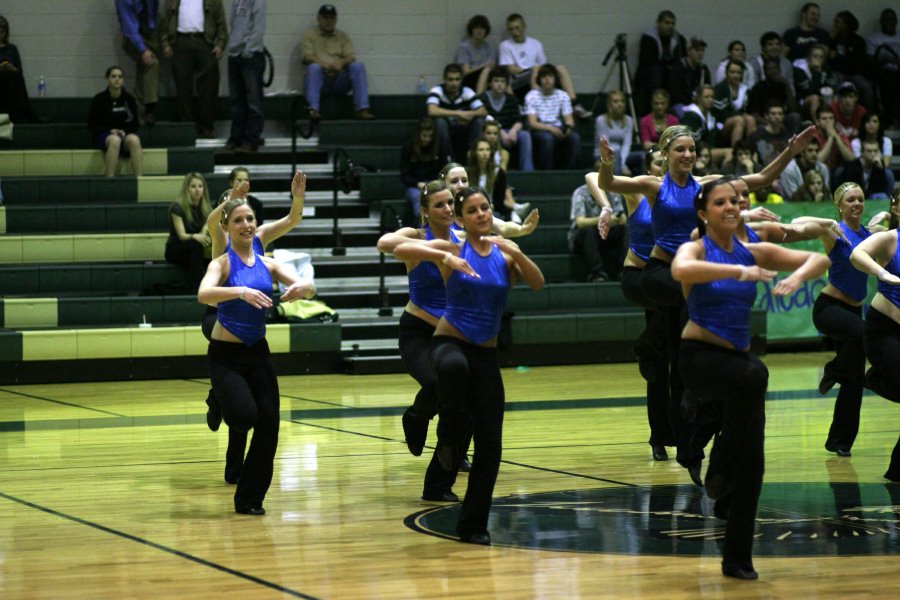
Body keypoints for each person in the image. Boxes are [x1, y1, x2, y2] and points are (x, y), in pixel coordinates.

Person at [597, 123, 817, 481]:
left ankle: (690, 442)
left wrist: (791, 150)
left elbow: (759, 178)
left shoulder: (706, 185)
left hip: (686, 280)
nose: (687, 155)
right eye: (680, 150)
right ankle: (689, 385)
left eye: (692, 150)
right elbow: (607, 184)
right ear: (666, 153)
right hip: (660, 272)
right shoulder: (654, 186)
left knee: (676, 351)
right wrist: (607, 162)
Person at [672, 177, 829, 580]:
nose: (730, 207)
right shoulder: (697, 248)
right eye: (720, 202)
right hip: (699, 360)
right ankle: (719, 463)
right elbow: (680, 268)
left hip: (738, 371)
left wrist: (797, 278)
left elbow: (821, 260)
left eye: (734, 202)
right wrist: (741, 273)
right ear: (704, 213)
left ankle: (737, 558)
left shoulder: (752, 249)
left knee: (754, 462)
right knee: (756, 374)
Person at [393, 186, 545, 546]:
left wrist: (518, 252)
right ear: (460, 220)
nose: (481, 214)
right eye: (472, 210)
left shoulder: (505, 254)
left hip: (486, 355)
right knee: (453, 371)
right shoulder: (453, 247)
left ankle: (473, 524)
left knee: (491, 446)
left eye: (485, 208)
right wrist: (447, 256)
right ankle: (449, 436)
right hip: (449, 344)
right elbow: (400, 249)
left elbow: (537, 283)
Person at [198, 196, 316, 516]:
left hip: (258, 353)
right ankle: (221, 400)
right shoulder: (221, 263)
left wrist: (302, 289)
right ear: (225, 227)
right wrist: (240, 291)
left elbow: (308, 286)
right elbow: (204, 294)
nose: (246, 225)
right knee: (244, 417)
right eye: (238, 220)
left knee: (269, 426)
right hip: (225, 355)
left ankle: (249, 497)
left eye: (249, 219)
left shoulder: (268, 262)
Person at [589, 147, 674, 460]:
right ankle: (646, 346)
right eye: (658, 165)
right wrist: (606, 207)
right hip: (641, 277)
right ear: (648, 168)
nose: (663, 170)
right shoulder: (638, 194)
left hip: (669, 279)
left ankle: (665, 435)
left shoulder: (681, 196)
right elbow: (591, 176)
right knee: (661, 349)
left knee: (665, 361)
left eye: (667, 165)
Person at [795, 182, 890, 456]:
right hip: (830, 310)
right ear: (840, 205)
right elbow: (799, 221)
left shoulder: (872, 234)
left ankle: (839, 442)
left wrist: (886, 216)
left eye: (860, 199)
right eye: (850, 200)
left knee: (854, 380)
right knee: (864, 334)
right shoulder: (834, 232)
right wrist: (826, 220)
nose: (857, 204)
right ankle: (833, 370)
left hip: (853, 311)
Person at [849, 194, 900, 481]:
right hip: (884, 331)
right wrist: (883, 273)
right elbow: (857, 255)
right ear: (897, 208)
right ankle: (876, 378)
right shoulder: (891, 239)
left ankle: (897, 469)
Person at [497, 13, 591, 119]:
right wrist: (532, 70)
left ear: (524, 27)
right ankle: (535, 103)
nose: (515, 32)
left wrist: (536, 71)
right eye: (511, 29)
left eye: (517, 28)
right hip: (517, 82)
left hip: (536, 75)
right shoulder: (505, 45)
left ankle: (575, 104)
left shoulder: (536, 44)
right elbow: (511, 69)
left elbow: (544, 67)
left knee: (561, 68)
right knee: (535, 67)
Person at [159, 0, 229, 138]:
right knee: (183, 87)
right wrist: (165, 43)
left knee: (209, 86)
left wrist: (220, 44)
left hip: (204, 42)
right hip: (180, 42)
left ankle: (207, 126)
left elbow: (221, 23)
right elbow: (164, 23)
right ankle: (187, 128)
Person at [301, 4, 374, 121]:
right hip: (321, 79)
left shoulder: (343, 36)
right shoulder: (309, 35)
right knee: (313, 68)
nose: (328, 21)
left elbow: (351, 57)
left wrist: (341, 63)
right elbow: (308, 56)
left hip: (339, 79)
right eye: (325, 18)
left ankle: (362, 109)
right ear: (318, 18)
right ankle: (313, 110)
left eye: (332, 18)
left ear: (336, 20)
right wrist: (326, 65)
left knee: (358, 66)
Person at [88, 66, 143, 178]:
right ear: (107, 79)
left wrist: (124, 131)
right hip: (104, 135)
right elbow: (91, 125)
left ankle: (139, 179)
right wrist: (110, 131)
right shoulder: (98, 99)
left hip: (124, 135)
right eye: (113, 76)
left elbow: (135, 124)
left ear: (122, 80)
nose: (117, 79)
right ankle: (110, 179)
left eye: (120, 77)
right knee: (115, 140)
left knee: (135, 140)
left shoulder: (129, 99)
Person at [225, 0, 266, 153]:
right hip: (235, 54)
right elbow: (233, 24)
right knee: (237, 101)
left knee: (253, 101)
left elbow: (258, 26)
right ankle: (236, 138)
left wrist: (249, 50)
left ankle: (251, 140)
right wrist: (233, 49)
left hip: (251, 55)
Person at [568, 180, 627, 283]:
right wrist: (604, 219)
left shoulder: (613, 192)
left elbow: (623, 218)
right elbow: (580, 222)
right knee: (587, 231)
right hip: (584, 239)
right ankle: (596, 273)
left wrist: (618, 219)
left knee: (624, 228)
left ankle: (623, 270)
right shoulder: (580, 193)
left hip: (605, 236)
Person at [427, 63, 486, 164]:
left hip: (462, 128)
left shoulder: (466, 91)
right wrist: (458, 113)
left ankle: (473, 158)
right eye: (450, 79)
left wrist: (469, 114)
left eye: (457, 79)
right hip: (444, 130)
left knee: (479, 122)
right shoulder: (437, 90)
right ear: (444, 80)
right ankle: (449, 161)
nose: (454, 83)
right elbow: (431, 111)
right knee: (440, 122)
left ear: (461, 80)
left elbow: (483, 111)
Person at [525, 64, 581, 170]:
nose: (547, 79)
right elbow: (532, 123)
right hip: (540, 129)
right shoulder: (532, 96)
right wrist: (550, 128)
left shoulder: (563, 95)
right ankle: (548, 173)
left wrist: (567, 129)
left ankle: (571, 172)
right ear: (539, 79)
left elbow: (569, 120)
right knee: (547, 139)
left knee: (575, 138)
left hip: (558, 128)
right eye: (544, 76)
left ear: (555, 79)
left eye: (550, 76)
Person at [479, 66, 534, 171]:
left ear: (506, 84)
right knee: (492, 135)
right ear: (490, 83)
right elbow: (483, 120)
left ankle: (527, 170)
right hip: (491, 132)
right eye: (496, 81)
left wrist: (513, 131)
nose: (499, 84)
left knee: (525, 135)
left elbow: (519, 120)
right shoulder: (483, 98)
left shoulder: (511, 99)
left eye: (502, 81)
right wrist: (499, 132)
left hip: (509, 131)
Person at [115, 0, 160, 123]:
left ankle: (139, 115)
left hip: (149, 34)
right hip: (133, 37)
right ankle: (149, 108)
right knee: (151, 63)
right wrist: (143, 49)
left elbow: (153, 10)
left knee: (143, 71)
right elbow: (129, 26)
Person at [635, 10, 686, 116]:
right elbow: (647, 62)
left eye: (672, 23)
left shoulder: (679, 39)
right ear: (658, 23)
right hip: (651, 78)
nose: (670, 26)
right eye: (666, 23)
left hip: (670, 77)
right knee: (655, 72)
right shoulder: (648, 38)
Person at [165, 172, 212, 286]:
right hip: (176, 248)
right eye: (193, 186)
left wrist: (203, 232)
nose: (197, 190)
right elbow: (182, 235)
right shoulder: (177, 207)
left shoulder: (206, 208)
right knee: (195, 246)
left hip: (195, 248)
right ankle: (199, 285)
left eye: (200, 186)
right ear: (187, 189)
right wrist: (196, 236)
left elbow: (208, 225)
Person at [829, 11, 877, 112]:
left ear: (846, 25)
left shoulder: (858, 41)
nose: (834, 25)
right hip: (838, 72)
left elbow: (857, 63)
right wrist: (831, 41)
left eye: (838, 22)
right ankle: (837, 114)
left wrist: (838, 57)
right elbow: (829, 58)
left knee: (866, 88)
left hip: (855, 73)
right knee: (834, 83)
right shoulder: (834, 39)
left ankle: (868, 115)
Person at [467, 138, 523, 223]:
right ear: (475, 153)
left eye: (487, 149)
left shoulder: (498, 173)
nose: (485, 153)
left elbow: (499, 201)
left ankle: (512, 211)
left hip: (494, 210)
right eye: (481, 150)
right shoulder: (468, 173)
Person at [0, 15, 43, 123]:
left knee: (17, 78)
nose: (0, 35)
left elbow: (19, 70)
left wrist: (11, 68)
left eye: (2, 32)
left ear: (6, 33)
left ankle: (20, 113)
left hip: (10, 82)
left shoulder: (12, 48)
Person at [400, 117, 443, 215]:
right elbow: (404, 175)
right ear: (418, 134)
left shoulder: (439, 146)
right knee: (419, 197)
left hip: (435, 183)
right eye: (424, 136)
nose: (427, 139)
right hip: (415, 186)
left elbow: (444, 170)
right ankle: (423, 226)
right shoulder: (408, 148)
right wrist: (418, 183)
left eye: (430, 136)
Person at [867, 9, 900, 129]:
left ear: (896, 21)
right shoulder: (874, 39)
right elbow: (870, 61)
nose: (889, 22)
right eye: (886, 19)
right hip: (884, 72)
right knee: (890, 83)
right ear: (881, 22)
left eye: (892, 19)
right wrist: (888, 60)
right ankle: (892, 120)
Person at [712, 59, 756, 148]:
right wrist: (739, 115)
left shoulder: (745, 89)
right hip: (721, 124)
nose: (735, 75)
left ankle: (751, 150)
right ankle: (737, 152)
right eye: (732, 72)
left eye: (738, 72)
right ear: (727, 73)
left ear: (742, 74)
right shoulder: (720, 88)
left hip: (739, 118)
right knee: (739, 119)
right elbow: (720, 113)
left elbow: (746, 110)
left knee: (750, 119)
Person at [594, 90, 636, 174]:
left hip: (623, 155)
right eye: (616, 101)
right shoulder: (601, 120)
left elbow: (627, 144)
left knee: (641, 156)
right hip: (603, 154)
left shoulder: (629, 120)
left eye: (622, 101)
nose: (620, 104)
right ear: (610, 105)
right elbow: (605, 145)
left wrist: (622, 163)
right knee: (616, 152)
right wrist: (621, 164)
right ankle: (616, 186)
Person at [850, 112, 894, 192]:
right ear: (863, 124)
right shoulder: (856, 142)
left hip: (878, 170)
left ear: (880, 124)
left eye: (875, 121)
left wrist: (876, 163)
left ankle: (890, 199)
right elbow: (858, 163)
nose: (871, 124)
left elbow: (886, 164)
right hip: (862, 170)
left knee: (888, 173)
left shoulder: (886, 141)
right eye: (868, 121)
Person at [669, 37, 712, 118]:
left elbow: (708, 89)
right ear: (688, 51)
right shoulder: (679, 67)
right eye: (697, 50)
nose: (700, 53)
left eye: (702, 50)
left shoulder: (704, 69)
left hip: (699, 104)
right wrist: (693, 106)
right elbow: (676, 95)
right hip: (682, 104)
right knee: (689, 116)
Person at [793, 43, 837, 122]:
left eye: (821, 57)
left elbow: (831, 86)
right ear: (808, 57)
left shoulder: (826, 68)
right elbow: (809, 90)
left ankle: (834, 124)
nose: (818, 59)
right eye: (815, 56)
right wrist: (817, 72)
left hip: (822, 98)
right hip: (803, 101)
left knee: (834, 97)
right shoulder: (800, 68)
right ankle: (818, 124)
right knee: (815, 98)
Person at [456, 15, 494, 94]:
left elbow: (492, 66)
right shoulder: (464, 47)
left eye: (482, 28)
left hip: (487, 78)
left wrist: (485, 68)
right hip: (470, 79)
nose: (479, 31)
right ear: (471, 30)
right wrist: (483, 66)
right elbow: (466, 72)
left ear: (486, 31)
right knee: (486, 70)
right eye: (476, 28)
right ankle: (479, 99)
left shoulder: (489, 47)